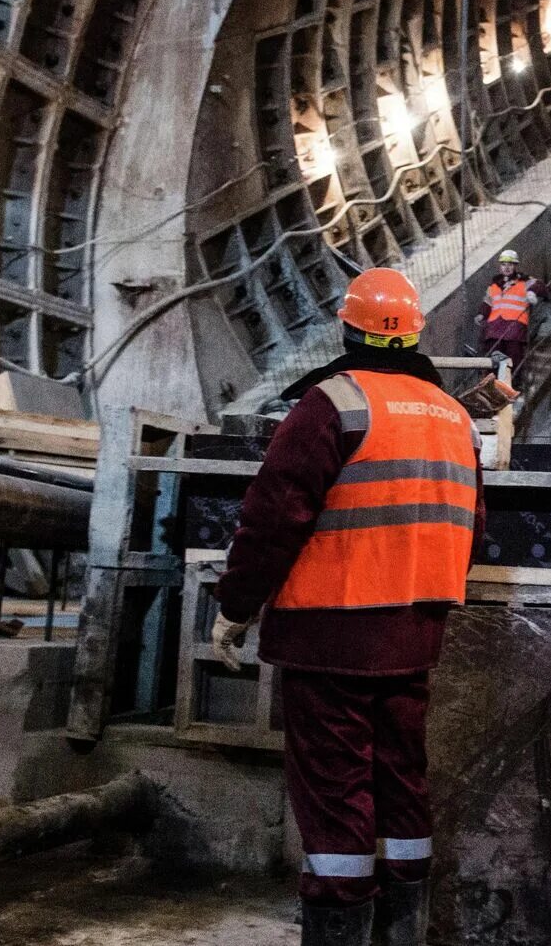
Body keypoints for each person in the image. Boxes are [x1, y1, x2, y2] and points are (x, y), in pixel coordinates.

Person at [210, 267, 483, 946]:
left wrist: (235, 606)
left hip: (329, 633)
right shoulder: (455, 417)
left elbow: (273, 517)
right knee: (401, 784)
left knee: (335, 800)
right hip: (414, 633)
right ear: (416, 332)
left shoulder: (333, 404)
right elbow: (472, 526)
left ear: (348, 327)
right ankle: (402, 933)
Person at [474, 249, 549, 378]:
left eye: (510, 264)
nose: (507, 267)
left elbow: (542, 287)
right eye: (504, 264)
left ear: (515, 266)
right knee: (493, 357)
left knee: (513, 357)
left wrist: (532, 292)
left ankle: (513, 384)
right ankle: (493, 385)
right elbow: (488, 303)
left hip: (515, 326)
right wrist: (481, 314)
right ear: (500, 266)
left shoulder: (524, 282)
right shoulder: (493, 286)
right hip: (495, 328)